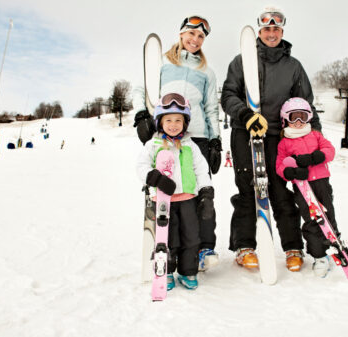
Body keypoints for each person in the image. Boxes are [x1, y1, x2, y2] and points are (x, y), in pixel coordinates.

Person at [221, 6, 321, 272]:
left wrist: (316, 139)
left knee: (279, 189)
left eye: (276, 29)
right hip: (246, 132)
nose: (271, 33)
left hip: (279, 136)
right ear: (260, 31)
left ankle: (293, 247)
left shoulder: (293, 66)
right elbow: (228, 95)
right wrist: (245, 114)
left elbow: (305, 104)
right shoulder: (241, 60)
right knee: (248, 189)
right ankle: (244, 246)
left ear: (282, 32)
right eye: (267, 29)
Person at [132, 15, 221, 271]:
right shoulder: (162, 63)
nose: (195, 40)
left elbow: (211, 108)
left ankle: (203, 247)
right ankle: (165, 245)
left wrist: (215, 141)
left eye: (201, 36)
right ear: (181, 34)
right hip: (164, 135)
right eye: (192, 34)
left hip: (197, 137)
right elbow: (142, 90)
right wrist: (141, 115)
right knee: (166, 190)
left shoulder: (207, 72)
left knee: (200, 195)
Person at [136, 93, 214, 290]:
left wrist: (206, 193)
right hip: (164, 201)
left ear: (185, 123)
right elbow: (141, 166)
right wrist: (157, 179)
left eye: (178, 120)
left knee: (191, 237)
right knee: (168, 238)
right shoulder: (152, 145)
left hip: (188, 199)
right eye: (168, 120)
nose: (173, 124)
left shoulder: (190, 146)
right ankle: (167, 271)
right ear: (160, 122)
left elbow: (201, 170)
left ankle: (188, 272)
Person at [275, 97, 342, 278]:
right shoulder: (284, 142)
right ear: (285, 119)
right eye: (293, 117)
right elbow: (280, 166)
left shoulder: (315, 135)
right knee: (311, 220)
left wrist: (316, 157)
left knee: (327, 216)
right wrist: (291, 172)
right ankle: (319, 256)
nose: (298, 122)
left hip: (321, 183)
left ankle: (333, 246)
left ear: (308, 118)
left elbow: (330, 150)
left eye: (302, 117)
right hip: (302, 187)